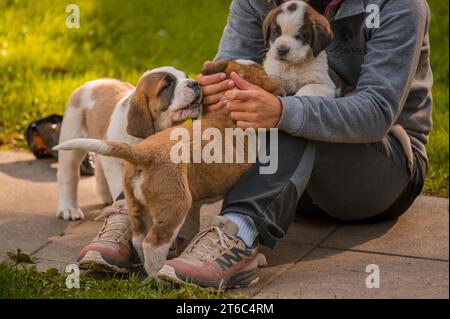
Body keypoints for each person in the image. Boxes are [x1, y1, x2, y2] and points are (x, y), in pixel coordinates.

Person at [77, 0, 433, 288]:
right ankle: (138, 212)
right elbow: (226, 76)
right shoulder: (258, 2)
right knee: (216, 117)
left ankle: (237, 235)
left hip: (380, 172)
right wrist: (216, 90)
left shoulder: (398, 6)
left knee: (293, 113)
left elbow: (375, 113)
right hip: (293, 188)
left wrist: (281, 110)